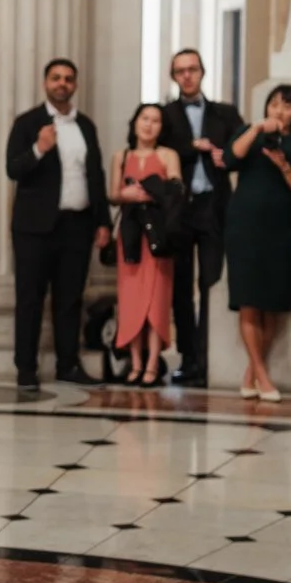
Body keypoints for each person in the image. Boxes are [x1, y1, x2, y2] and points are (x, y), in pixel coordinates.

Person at [5, 58, 109, 390]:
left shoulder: (87, 127)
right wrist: (39, 148)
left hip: (77, 225)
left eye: (68, 79)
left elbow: (97, 176)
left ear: (75, 85)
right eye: (56, 78)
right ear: (45, 83)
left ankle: (68, 364)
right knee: (30, 298)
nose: (62, 83)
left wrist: (103, 221)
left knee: (70, 299)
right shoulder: (27, 123)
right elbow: (13, 168)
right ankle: (26, 369)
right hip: (34, 227)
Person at [159, 49, 243, 387]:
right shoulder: (163, 115)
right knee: (181, 287)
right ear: (173, 76)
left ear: (203, 72)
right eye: (180, 71)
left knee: (210, 283)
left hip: (214, 205)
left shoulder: (226, 113)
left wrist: (227, 156)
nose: (187, 76)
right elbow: (152, 149)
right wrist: (194, 146)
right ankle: (189, 359)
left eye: (192, 69)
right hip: (179, 209)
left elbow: (243, 149)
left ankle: (211, 359)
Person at [226, 84, 291, 401]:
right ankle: (263, 376)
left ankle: (251, 374)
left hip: (280, 228)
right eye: (274, 104)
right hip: (244, 226)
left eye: (287, 106)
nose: (280, 110)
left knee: (272, 303)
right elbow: (229, 158)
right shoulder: (249, 134)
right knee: (248, 301)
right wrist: (257, 128)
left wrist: (284, 165)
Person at [110, 103, 183, 387]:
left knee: (157, 301)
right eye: (144, 118)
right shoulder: (121, 155)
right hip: (129, 235)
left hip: (158, 237)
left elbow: (176, 190)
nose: (149, 124)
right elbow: (114, 195)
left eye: (155, 120)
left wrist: (147, 191)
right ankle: (135, 364)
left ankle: (153, 364)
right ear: (135, 121)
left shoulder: (168, 155)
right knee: (130, 301)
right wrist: (126, 194)